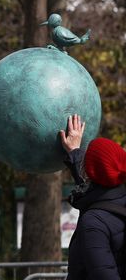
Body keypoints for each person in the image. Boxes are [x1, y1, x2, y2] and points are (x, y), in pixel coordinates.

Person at [61, 114, 126, 279]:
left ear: (88, 172)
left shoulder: (93, 222)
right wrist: (75, 152)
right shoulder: (116, 196)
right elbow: (95, 183)